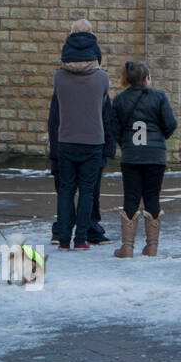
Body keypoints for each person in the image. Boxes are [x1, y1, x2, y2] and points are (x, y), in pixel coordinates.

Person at [49, 20, 114, 246]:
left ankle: (64, 237)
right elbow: (105, 110)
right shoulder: (103, 78)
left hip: (66, 139)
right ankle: (82, 238)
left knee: (66, 190)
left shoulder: (58, 77)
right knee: (88, 191)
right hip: (93, 140)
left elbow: (55, 114)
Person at [108, 61, 177, 258]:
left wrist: (125, 143)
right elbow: (170, 124)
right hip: (155, 156)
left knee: (130, 197)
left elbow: (114, 128)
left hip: (131, 155)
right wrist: (159, 137)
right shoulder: (159, 97)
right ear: (146, 78)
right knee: (152, 197)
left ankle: (127, 247)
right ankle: (152, 247)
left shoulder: (120, 99)